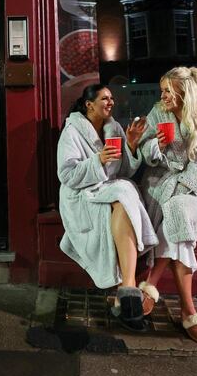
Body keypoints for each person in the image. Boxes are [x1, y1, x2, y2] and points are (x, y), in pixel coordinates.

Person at [57, 84, 158, 331]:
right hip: (80, 196)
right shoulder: (72, 132)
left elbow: (123, 172)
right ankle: (130, 295)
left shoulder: (113, 128)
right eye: (105, 98)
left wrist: (131, 145)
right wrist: (97, 160)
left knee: (124, 196)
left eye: (112, 98)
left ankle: (128, 286)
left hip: (108, 191)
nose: (111, 102)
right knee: (124, 193)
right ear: (89, 104)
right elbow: (67, 176)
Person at [137, 67, 197, 346]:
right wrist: (156, 146)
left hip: (192, 188)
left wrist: (180, 187)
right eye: (162, 90)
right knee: (175, 213)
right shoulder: (158, 111)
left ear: (185, 92)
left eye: (168, 91)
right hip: (159, 184)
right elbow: (143, 149)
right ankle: (188, 311)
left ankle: (151, 284)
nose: (162, 96)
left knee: (177, 208)